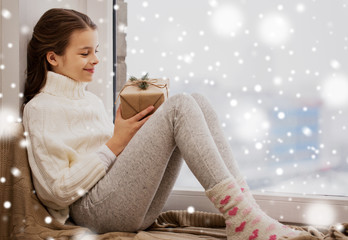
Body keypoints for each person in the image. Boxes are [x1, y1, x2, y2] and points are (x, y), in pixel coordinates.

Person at [23, 8, 304, 240]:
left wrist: (132, 137)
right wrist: (115, 143)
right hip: (92, 211)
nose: (95, 60)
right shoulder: (41, 109)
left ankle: (246, 216)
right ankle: (244, 221)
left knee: (197, 101)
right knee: (180, 105)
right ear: (53, 57)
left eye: (95, 51)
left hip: (125, 206)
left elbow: (110, 161)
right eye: (84, 53)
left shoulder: (90, 102)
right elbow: (56, 193)